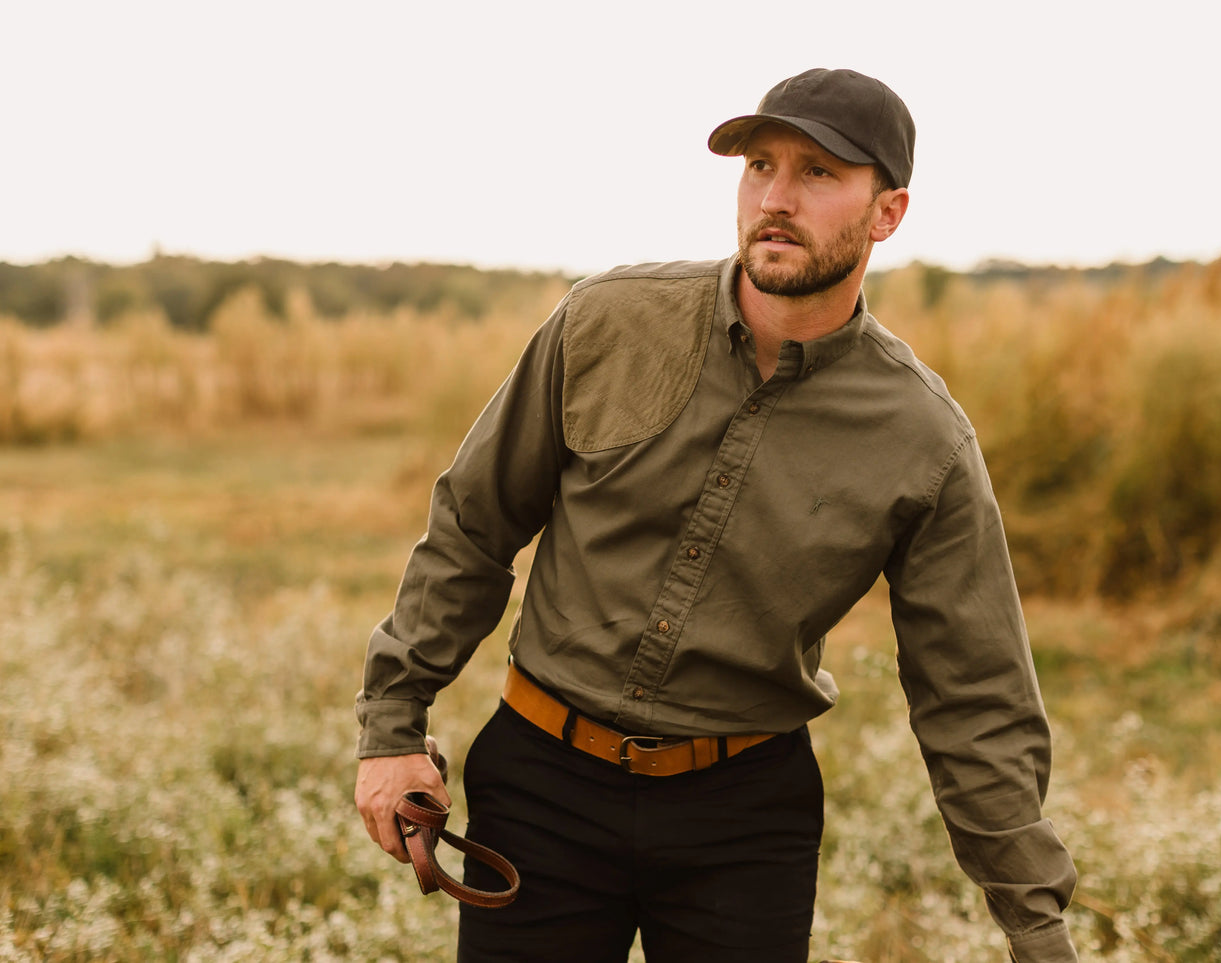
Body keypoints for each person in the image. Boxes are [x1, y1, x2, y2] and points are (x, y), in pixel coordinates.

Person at [354, 67, 1079, 962]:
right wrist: (393, 725)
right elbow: (474, 524)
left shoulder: (923, 438)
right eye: (759, 165)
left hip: (744, 818)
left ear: (887, 213)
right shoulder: (607, 320)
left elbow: (974, 692)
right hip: (542, 782)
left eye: (817, 172)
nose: (775, 198)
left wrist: (1035, 926)